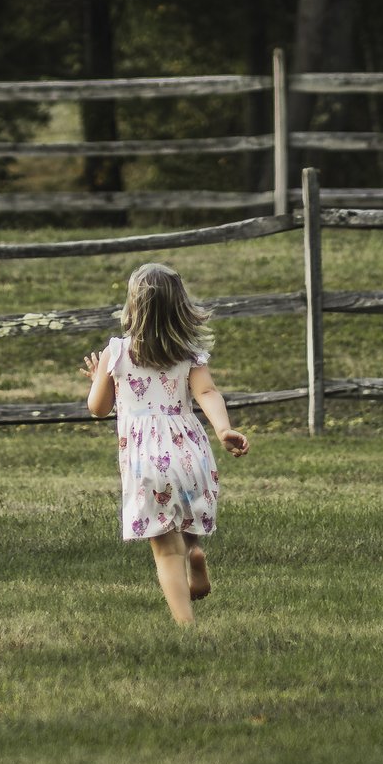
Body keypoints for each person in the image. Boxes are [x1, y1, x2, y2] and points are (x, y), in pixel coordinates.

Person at [82, 262, 250, 625]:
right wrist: (223, 430)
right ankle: (195, 553)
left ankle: (186, 626)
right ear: (181, 308)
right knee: (184, 519)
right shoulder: (188, 354)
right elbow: (207, 392)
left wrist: (99, 376)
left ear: (133, 308)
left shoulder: (116, 352)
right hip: (190, 452)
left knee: (164, 549)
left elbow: (98, 408)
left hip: (146, 461)